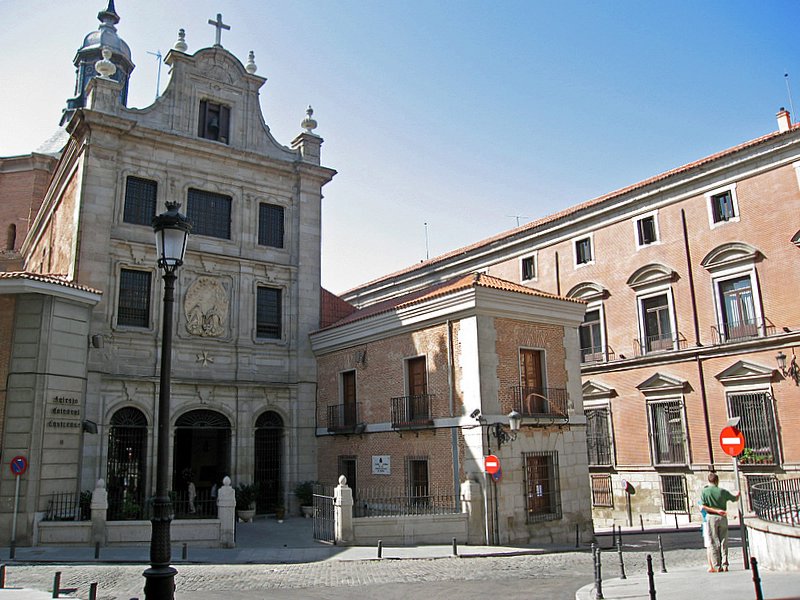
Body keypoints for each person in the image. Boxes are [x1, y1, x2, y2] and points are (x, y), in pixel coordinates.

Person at [700, 472, 739, 572]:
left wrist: (715, 510)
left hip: (711, 517)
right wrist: (738, 494)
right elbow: (734, 499)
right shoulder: (722, 491)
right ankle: (725, 564)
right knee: (723, 541)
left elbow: (703, 506)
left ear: (709, 481)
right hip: (723, 517)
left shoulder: (705, 492)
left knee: (713, 541)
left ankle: (717, 566)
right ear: (717, 481)